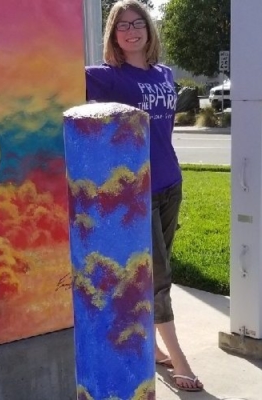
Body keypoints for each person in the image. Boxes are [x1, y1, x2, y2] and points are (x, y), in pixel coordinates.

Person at [85, 0, 203, 392]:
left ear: (149, 29)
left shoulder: (165, 74)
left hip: (171, 182)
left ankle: (152, 345)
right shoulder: (107, 77)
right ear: (113, 36)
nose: (131, 30)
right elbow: (58, 80)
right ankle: (179, 360)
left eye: (138, 23)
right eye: (122, 26)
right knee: (160, 277)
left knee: (159, 268)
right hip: (138, 191)